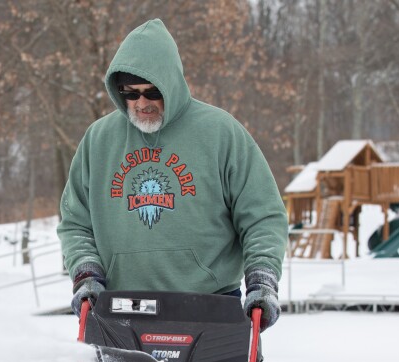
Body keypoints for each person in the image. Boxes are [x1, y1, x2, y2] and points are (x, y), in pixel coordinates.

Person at [57, 19, 287, 330]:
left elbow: (262, 216)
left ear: (171, 84)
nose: (141, 103)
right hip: (122, 308)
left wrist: (262, 280)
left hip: (209, 304)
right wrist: (86, 275)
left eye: (152, 92)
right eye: (130, 92)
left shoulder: (220, 132)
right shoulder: (99, 140)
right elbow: (75, 223)